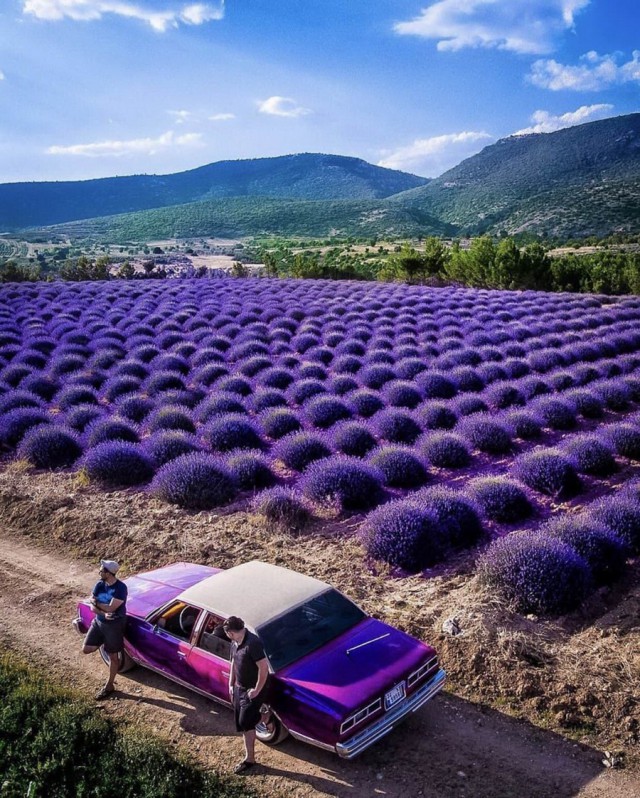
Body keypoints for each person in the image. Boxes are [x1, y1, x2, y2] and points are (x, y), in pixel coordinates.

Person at [224, 615, 270, 774]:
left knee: (245, 722)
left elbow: (263, 668)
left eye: (227, 633)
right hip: (239, 688)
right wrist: (231, 684)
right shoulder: (235, 642)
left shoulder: (253, 643)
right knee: (243, 724)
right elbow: (233, 663)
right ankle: (250, 758)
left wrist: (256, 690)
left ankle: (266, 717)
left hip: (253, 690)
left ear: (230, 632)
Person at [81, 559, 128, 700]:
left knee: (114, 657)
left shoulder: (120, 588)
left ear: (109, 573)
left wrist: (96, 602)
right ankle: (105, 642)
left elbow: (110, 608)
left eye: (102, 570)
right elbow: (93, 607)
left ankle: (109, 686)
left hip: (114, 626)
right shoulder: (99, 584)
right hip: (99, 622)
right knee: (86, 649)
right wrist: (100, 610)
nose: (99, 572)